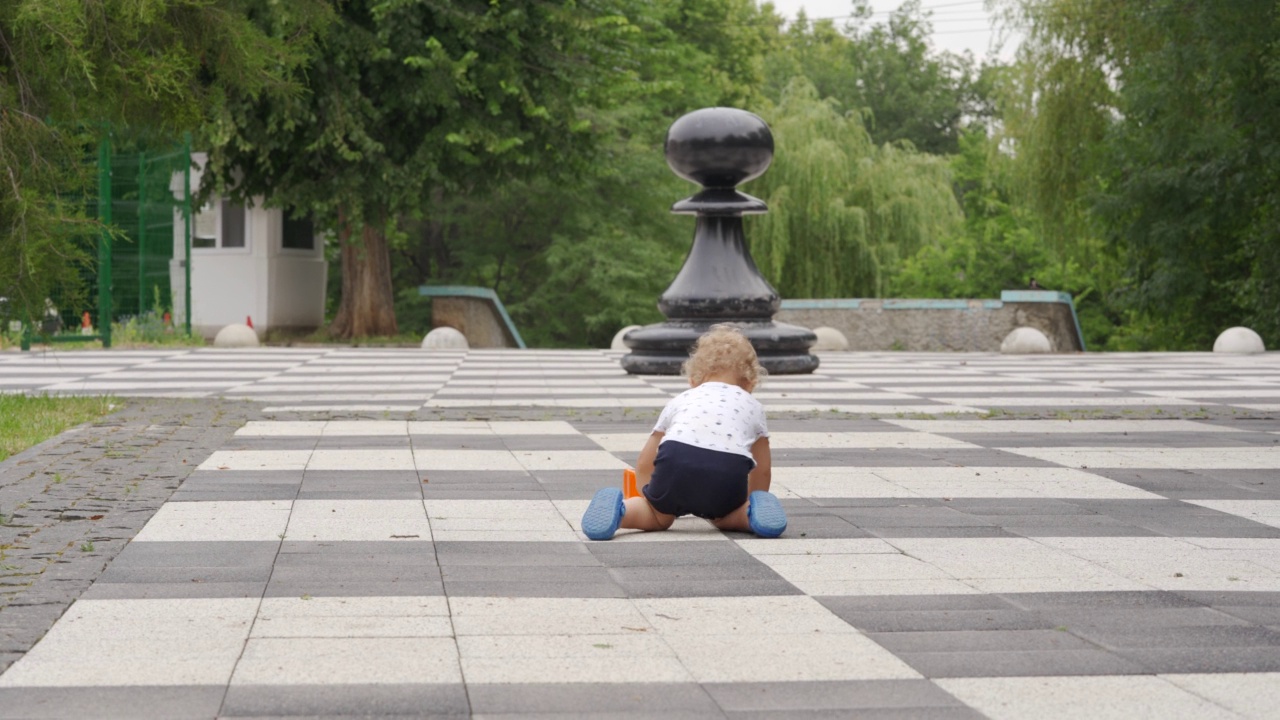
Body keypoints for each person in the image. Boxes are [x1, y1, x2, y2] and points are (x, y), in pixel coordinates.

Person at [581, 325, 787, 540]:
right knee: (725, 517)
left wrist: (649, 496)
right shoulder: (752, 405)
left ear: (693, 380)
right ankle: (751, 513)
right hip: (726, 473)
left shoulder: (682, 399)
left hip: (676, 460)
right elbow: (762, 470)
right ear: (751, 383)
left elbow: (646, 460)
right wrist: (755, 497)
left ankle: (621, 513)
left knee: (658, 517)